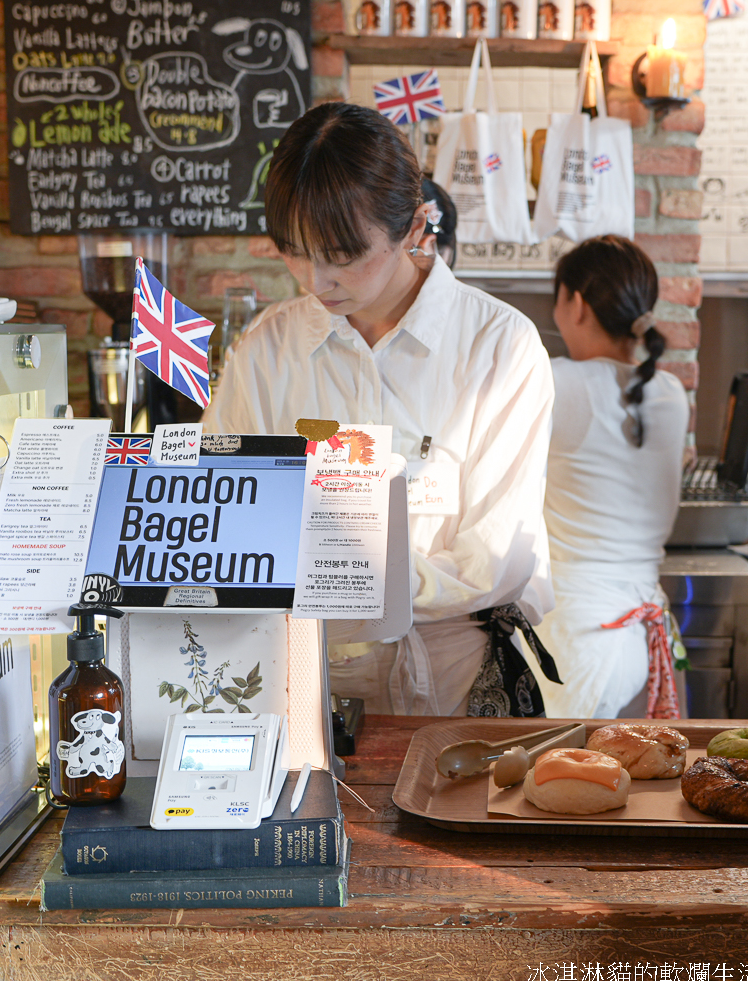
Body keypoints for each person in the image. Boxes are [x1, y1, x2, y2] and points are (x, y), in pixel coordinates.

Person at [202, 101, 557, 717]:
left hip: (452, 692)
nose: (316, 279)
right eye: (295, 251)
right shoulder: (267, 349)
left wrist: (356, 586)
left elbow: (498, 556)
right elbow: (225, 510)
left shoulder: (498, 346)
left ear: (416, 227)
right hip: (299, 692)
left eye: (342, 253)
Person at [533, 236, 688, 720]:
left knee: (562, 789)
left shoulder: (560, 381)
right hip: (648, 634)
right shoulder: (670, 391)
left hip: (581, 642)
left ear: (575, 303)